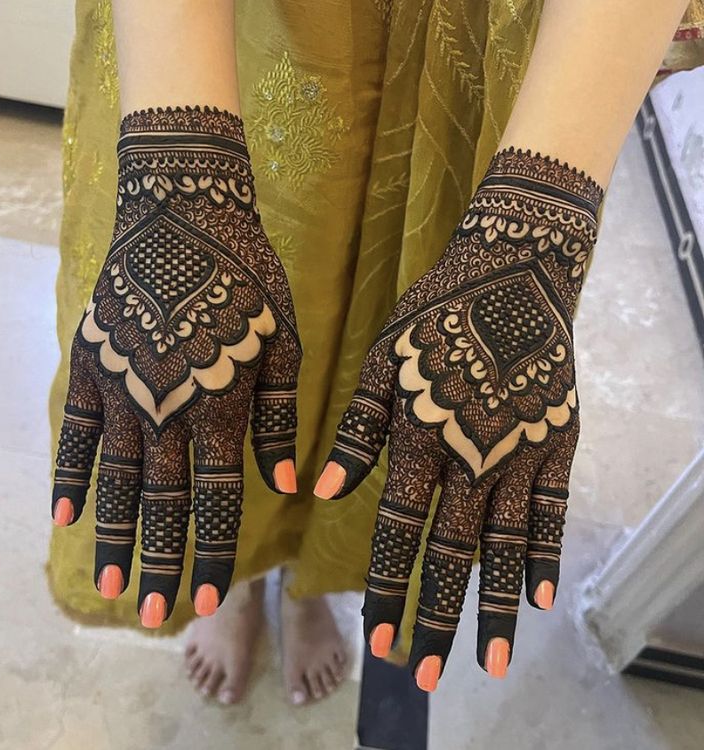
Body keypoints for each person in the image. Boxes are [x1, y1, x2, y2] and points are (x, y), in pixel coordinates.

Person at [48, 0, 702, 706]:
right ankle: (242, 571)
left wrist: (536, 215)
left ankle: (308, 584)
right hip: (248, 29)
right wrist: (181, 159)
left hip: (495, 44)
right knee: (212, 361)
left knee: (410, 380)